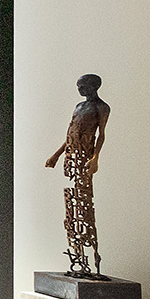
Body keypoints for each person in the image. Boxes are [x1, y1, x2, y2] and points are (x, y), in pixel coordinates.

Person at [44, 73, 110, 278]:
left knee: (84, 201)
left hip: (85, 155)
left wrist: (96, 158)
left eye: (82, 86)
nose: (79, 89)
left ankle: (92, 257)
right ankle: (79, 259)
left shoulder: (101, 107)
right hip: (72, 155)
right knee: (72, 202)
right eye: (78, 86)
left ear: (93, 86)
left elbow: (101, 134)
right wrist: (56, 154)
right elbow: (70, 133)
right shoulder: (78, 107)